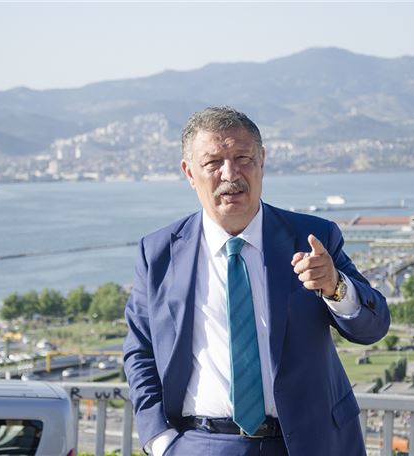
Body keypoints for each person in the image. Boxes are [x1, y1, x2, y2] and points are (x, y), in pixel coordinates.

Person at [123, 106, 389, 456]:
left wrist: (335, 286)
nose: (230, 174)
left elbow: (373, 327)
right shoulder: (158, 253)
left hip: (313, 442)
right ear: (189, 172)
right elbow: (140, 351)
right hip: (204, 444)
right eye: (213, 162)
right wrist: (160, 441)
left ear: (262, 159)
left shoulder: (313, 237)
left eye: (242, 158)